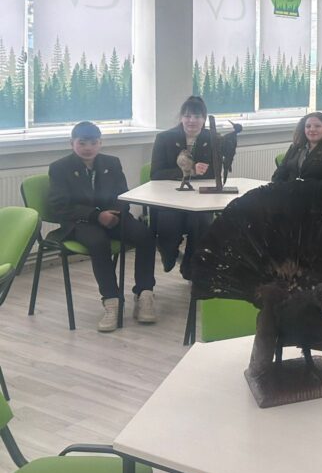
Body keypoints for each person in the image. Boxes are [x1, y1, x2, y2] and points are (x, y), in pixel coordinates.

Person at [49, 121, 159, 332]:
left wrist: (115, 213)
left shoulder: (112, 162)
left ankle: (144, 293)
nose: (88, 148)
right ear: (72, 143)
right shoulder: (59, 168)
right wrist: (96, 216)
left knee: (145, 235)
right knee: (99, 242)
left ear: (100, 143)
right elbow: (60, 206)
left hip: (113, 216)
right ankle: (112, 301)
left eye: (93, 143)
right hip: (80, 222)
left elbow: (123, 194)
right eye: (82, 143)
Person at [150, 96, 215, 278]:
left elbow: (216, 172)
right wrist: (189, 170)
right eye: (187, 116)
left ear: (204, 118)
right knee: (169, 222)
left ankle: (190, 267)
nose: (192, 120)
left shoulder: (213, 138)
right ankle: (168, 253)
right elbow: (156, 173)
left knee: (201, 222)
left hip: (200, 199)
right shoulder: (164, 138)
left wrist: (202, 171)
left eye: (197, 116)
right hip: (170, 198)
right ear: (181, 118)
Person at [271, 112, 322, 187]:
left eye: (317, 126)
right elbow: (278, 175)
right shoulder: (295, 147)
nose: (312, 129)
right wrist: (281, 188)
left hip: (314, 193)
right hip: (288, 190)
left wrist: (297, 189)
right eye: (308, 126)